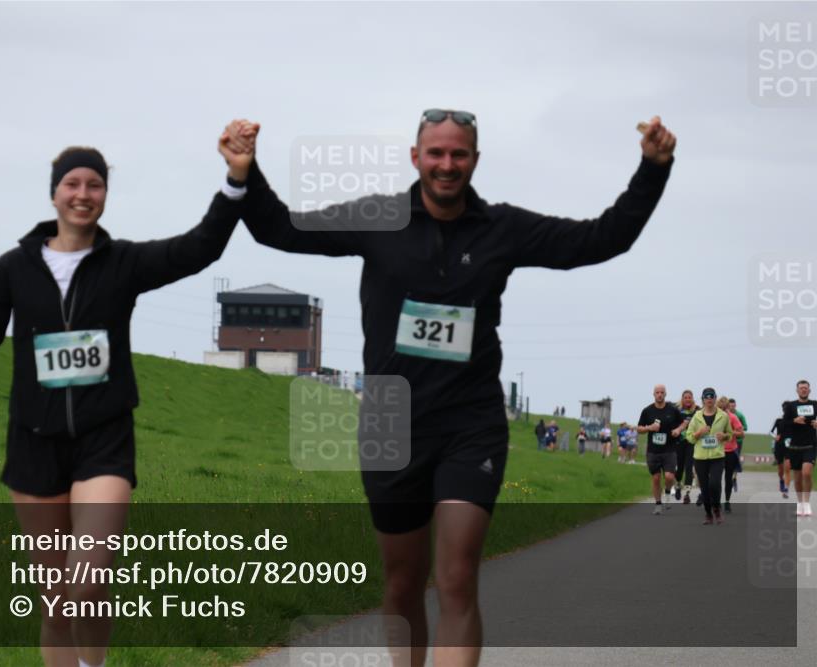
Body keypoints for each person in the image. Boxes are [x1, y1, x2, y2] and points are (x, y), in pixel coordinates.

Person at [220, 110, 675, 665]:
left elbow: (601, 239)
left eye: (459, 154)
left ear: (475, 161)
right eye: (435, 153)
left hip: (470, 422)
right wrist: (245, 172)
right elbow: (282, 229)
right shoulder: (377, 218)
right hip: (390, 420)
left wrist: (653, 168)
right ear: (415, 158)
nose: (446, 164)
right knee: (402, 585)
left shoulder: (502, 228)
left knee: (456, 577)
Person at [0, 144, 245, 667]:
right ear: (54, 193)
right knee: (56, 602)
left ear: (106, 194)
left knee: (88, 580)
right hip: (33, 445)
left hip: (104, 439)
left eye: (95, 185)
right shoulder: (14, 269)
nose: (84, 195)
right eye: (73, 184)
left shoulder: (124, 263)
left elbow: (200, 248)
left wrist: (236, 180)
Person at [686, 388, 734, 525]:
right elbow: (689, 438)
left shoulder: (723, 416)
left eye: (711, 396)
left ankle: (717, 510)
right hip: (700, 457)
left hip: (717, 457)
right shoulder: (696, 416)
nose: (709, 399)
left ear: (715, 398)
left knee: (714, 484)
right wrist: (699, 433)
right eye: (706, 397)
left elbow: (730, 435)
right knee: (705, 488)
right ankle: (708, 514)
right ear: (702, 399)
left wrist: (724, 436)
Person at [636, 384, 683, 515]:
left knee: (669, 476)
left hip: (669, 449)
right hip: (653, 450)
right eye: (657, 392)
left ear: (665, 394)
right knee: (656, 478)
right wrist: (649, 428)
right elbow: (639, 429)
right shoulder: (647, 411)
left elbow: (684, 422)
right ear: (653, 394)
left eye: (662, 392)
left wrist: (678, 430)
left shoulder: (672, 410)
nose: (660, 394)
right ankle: (658, 504)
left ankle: (668, 491)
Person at [782, 380, 817, 517]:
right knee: (797, 478)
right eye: (801, 388)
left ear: (809, 390)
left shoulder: (815, 405)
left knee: (806, 473)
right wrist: (794, 421)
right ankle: (800, 503)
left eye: (805, 388)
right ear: (797, 390)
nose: (803, 390)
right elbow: (784, 424)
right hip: (795, 446)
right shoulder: (791, 406)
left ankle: (807, 502)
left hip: (810, 445)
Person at [716, 396, 745, 513]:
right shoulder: (716, 417)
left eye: (724, 408)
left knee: (728, 478)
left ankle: (727, 501)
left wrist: (730, 433)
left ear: (728, 407)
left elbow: (742, 434)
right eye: (720, 408)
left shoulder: (733, 418)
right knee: (715, 478)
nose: (722, 410)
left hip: (730, 452)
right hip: (717, 452)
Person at [673, 390, 697, 504]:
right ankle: (678, 485)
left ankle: (687, 494)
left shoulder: (697, 410)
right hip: (679, 442)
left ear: (692, 399)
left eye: (689, 397)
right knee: (680, 468)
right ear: (682, 399)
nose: (688, 399)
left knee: (689, 467)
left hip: (691, 442)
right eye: (685, 397)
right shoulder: (677, 409)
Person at [728, 397, 748, 489]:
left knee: (735, 459)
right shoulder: (725, 414)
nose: (731, 407)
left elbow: (745, 427)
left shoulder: (739, 415)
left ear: (735, 405)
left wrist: (737, 429)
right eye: (730, 405)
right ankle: (727, 477)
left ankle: (734, 478)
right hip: (727, 440)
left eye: (733, 405)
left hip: (738, 441)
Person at [771, 416, 790, 499]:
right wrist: (775, 436)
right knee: (780, 469)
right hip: (779, 446)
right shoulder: (778, 420)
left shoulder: (793, 421)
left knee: (788, 467)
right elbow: (771, 432)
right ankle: (781, 480)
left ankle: (786, 488)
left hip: (789, 446)